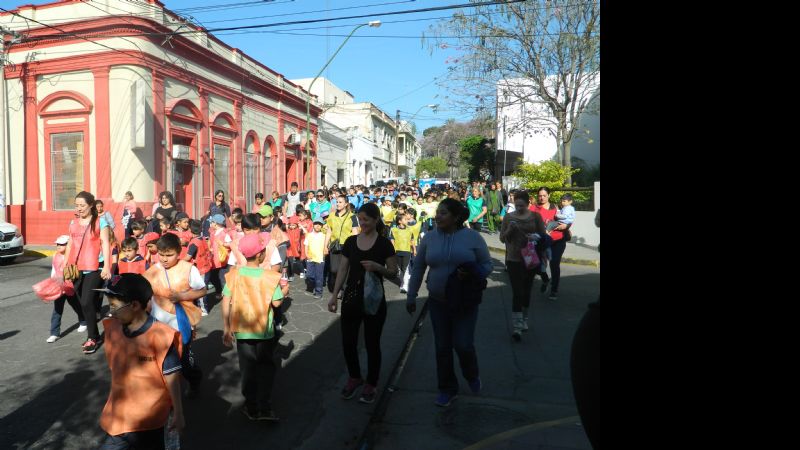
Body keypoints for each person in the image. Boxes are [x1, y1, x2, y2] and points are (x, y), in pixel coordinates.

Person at [405, 198, 492, 407]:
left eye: (443, 213)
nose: (438, 216)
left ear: (455, 217)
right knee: (442, 347)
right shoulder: (429, 238)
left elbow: (487, 264)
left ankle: (471, 374)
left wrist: (473, 272)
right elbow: (418, 268)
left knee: (463, 344)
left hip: (465, 302)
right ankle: (447, 388)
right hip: (438, 302)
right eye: (438, 212)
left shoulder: (472, 238)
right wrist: (411, 295)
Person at [95, 273, 184, 449]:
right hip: (119, 414)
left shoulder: (162, 336)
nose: (110, 311)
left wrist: (178, 412)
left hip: (150, 420)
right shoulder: (113, 329)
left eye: (114, 306)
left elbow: (172, 377)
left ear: (135, 305)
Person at [328, 203, 398, 404]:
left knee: (372, 343)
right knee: (348, 342)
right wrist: (334, 295)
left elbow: (393, 273)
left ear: (376, 219)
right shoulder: (350, 242)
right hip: (351, 298)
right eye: (360, 219)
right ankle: (354, 377)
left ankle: (371, 383)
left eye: (366, 219)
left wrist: (377, 267)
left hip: (374, 300)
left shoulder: (385, 244)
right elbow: (342, 270)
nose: (362, 222)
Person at [221, 232, 283, 422]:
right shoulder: (270, 276)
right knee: (265, 367)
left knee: (248, 369)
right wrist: (284, 291)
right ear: (261, 254)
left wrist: (226, 327)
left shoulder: (234, 275)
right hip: (264, 331)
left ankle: (251, 406)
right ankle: (265, 407)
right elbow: (277, 303)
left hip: (241, 329)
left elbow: (226, 299)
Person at [143, 233, 207, 395]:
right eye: (161, 255)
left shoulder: (188, 269)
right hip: (158, 325)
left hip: (182, 322)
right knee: (163, 361)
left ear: (179, 253)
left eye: (169, 255)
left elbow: (202, 290)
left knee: (184, 361)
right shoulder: (152, 271)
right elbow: (144, 295)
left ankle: (194, 379)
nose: (164, 259)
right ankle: (168, 395)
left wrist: (182, 296)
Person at [64, 191, 113, 354]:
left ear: (91, 205)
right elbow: (70, 244)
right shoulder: (73, 222)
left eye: (82, 205)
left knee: (86, 302)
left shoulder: (101, 222)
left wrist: (107, 266)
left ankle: (92, 337)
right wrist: (65, 264)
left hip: (94, 267)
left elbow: (106, 244)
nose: (79, 208)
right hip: (76, 268)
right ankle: (95, 334)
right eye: (76, 205)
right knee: (83, 303)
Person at [498, 190, 546, 340]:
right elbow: (501, 238)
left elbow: (543, 236)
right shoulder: (508, 217)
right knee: (517, 292)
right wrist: (509, 230)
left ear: (528, 204)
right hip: (513, 259)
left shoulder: (535, 217)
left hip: (530, 258)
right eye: (516, 205)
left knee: (526, 290)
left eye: (522, 205)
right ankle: (517, 326)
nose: (519, 208)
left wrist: (535, 237)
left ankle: (524, 319)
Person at [530, 187, 569, 300]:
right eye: (540, 195)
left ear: (549, 196)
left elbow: (568, 221)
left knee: (554, 263)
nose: (542, 197)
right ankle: (545, 279)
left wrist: (565, 226)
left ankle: (554, 290)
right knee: (537, 266)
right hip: (541, 241)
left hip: (557, 240)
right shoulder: (534, 208)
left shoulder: (556, 208)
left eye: (544, 195)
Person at [47, 235, 87, 343]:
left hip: (70, 287)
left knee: (76, 305)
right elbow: (54, 270)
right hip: (59, 287)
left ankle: (83, 321)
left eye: (62, 244)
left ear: (68, 245)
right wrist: (52, 282)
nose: (58, 246)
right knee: (57, 310)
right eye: (57, 244)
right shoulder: (55, 255)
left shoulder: (72, 257)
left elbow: (77, 273)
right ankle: (54, 333)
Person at [325, 194, 360, 293]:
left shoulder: (353, 217)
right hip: (334, 245)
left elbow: (355, 233)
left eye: (340, 202)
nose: (338, 204)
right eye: (337, 202)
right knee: (334, 269)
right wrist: (325, 246)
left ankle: (343, 289)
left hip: (347, 246)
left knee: (345, 268)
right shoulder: (332, 215)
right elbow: (329, 231)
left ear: (346, 204)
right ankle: (338, 285)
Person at [304, 219, 327, 298]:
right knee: (309, 275)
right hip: (310, 258)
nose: (317, 226)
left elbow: (327, 246)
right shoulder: (309, 235)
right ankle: (315, 285)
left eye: (319, 224)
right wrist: (306, 254)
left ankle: (318, 292)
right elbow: (306, 245)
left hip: (320, 259)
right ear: (313, 225)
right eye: (316, 224)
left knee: (319, 276)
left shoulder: (324, 235)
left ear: (322, 226)